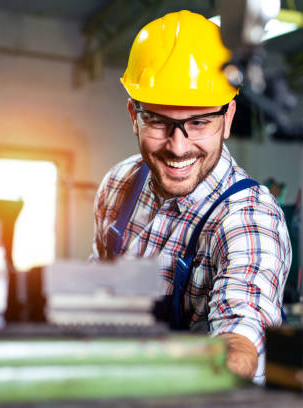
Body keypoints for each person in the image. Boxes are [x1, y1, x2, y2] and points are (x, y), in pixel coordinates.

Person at [90, 10, 291, 384]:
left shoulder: (247, 218)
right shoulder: (118, 185)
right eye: (159, 121)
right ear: (134, 115)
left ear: (228, 118)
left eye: (199, 122)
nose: (178, 147)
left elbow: (242, 345)